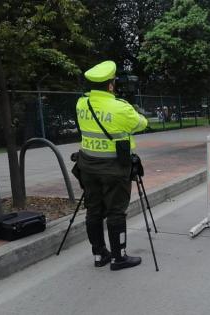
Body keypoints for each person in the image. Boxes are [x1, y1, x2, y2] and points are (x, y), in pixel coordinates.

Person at [75, 61, 148, 270]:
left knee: (93, 211)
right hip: (114, 169)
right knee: (116, 212)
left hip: (87, 166)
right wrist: (132, 108)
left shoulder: (81, 104)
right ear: (110, 85)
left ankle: (99, 255)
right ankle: (119, 257)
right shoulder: (120, 108)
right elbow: (141, 124)